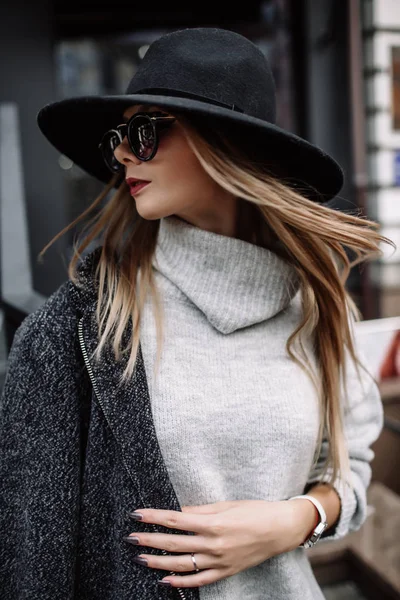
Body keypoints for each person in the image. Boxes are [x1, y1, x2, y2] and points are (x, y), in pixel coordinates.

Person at [0, 27, 393, 600]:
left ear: (226, 144)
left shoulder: (317, 308)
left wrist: (294, 520)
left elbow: (348, 469)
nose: (122, 152)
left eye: (145, 131)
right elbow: (31, 565)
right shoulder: (77, 330)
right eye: (118, 136)